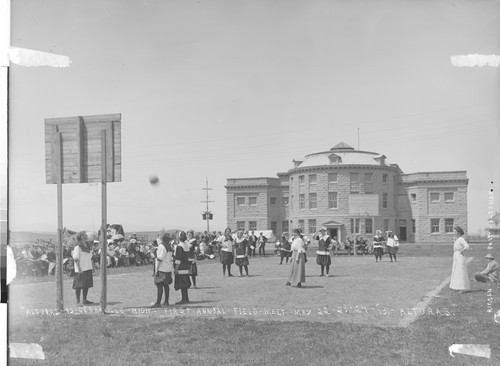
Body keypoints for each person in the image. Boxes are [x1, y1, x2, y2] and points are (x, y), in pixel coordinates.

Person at [72, 231, 94, 306]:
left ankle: (85, 299)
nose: (87, 236)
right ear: (81, 237)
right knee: (78, 286)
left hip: (87, 267)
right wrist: (79, 268)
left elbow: (90, 257)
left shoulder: (87, 246)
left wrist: (92, 267)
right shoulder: (77, 247)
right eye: (85, 235)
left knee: (86, 284)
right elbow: (76, 258)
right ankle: (78, 301)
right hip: (81, 269)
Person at [151, 233, 173, 308]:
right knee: (166, 285)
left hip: (162, 268)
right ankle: (166, 301)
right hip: (168, 268)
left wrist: (156, 269)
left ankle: (158, 302)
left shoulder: (161, 246)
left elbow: (160, 258)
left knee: (159, 284)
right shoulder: (169, 246)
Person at [449, 226, 470, 292]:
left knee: (461, 271)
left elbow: (467, 246)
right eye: (454, 231)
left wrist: (461, 251)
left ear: (459, 232)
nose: (454, 233)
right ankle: (457, 286)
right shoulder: (457, 239)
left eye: (455, 232)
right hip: (456, 256)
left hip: (459, 256)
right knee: (456, 271)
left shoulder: (461, 239)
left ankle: (463, 288)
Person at [174, 231, 191, 304]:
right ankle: (186, 298)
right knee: (185, 283)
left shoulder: (179, 246)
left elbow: (178, 259)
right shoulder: (186, 245)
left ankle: (184, 299)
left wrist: (176, 268)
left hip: (181, 267)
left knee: (182, 284)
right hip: (186, 266)